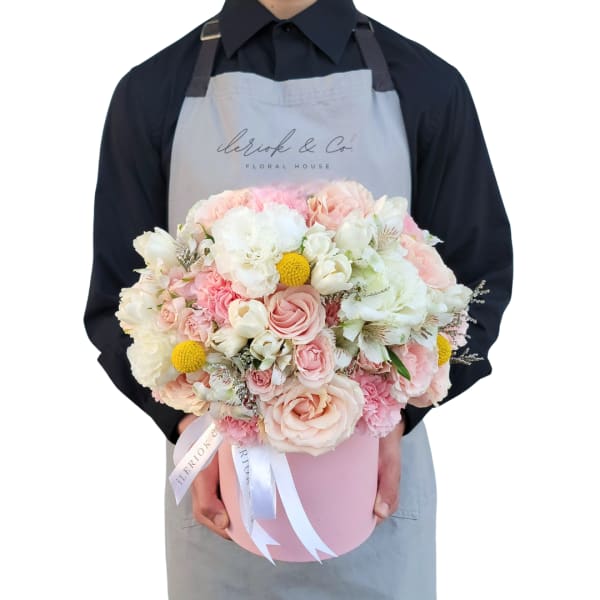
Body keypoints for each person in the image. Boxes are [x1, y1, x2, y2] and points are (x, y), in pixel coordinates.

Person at [83, 0, 513, 598]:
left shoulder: (428, 87)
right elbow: (117, 300)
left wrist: (399, 419)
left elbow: (478, 282)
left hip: (376, 491)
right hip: (221, 495)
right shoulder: (152, 93)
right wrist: (188, 426)